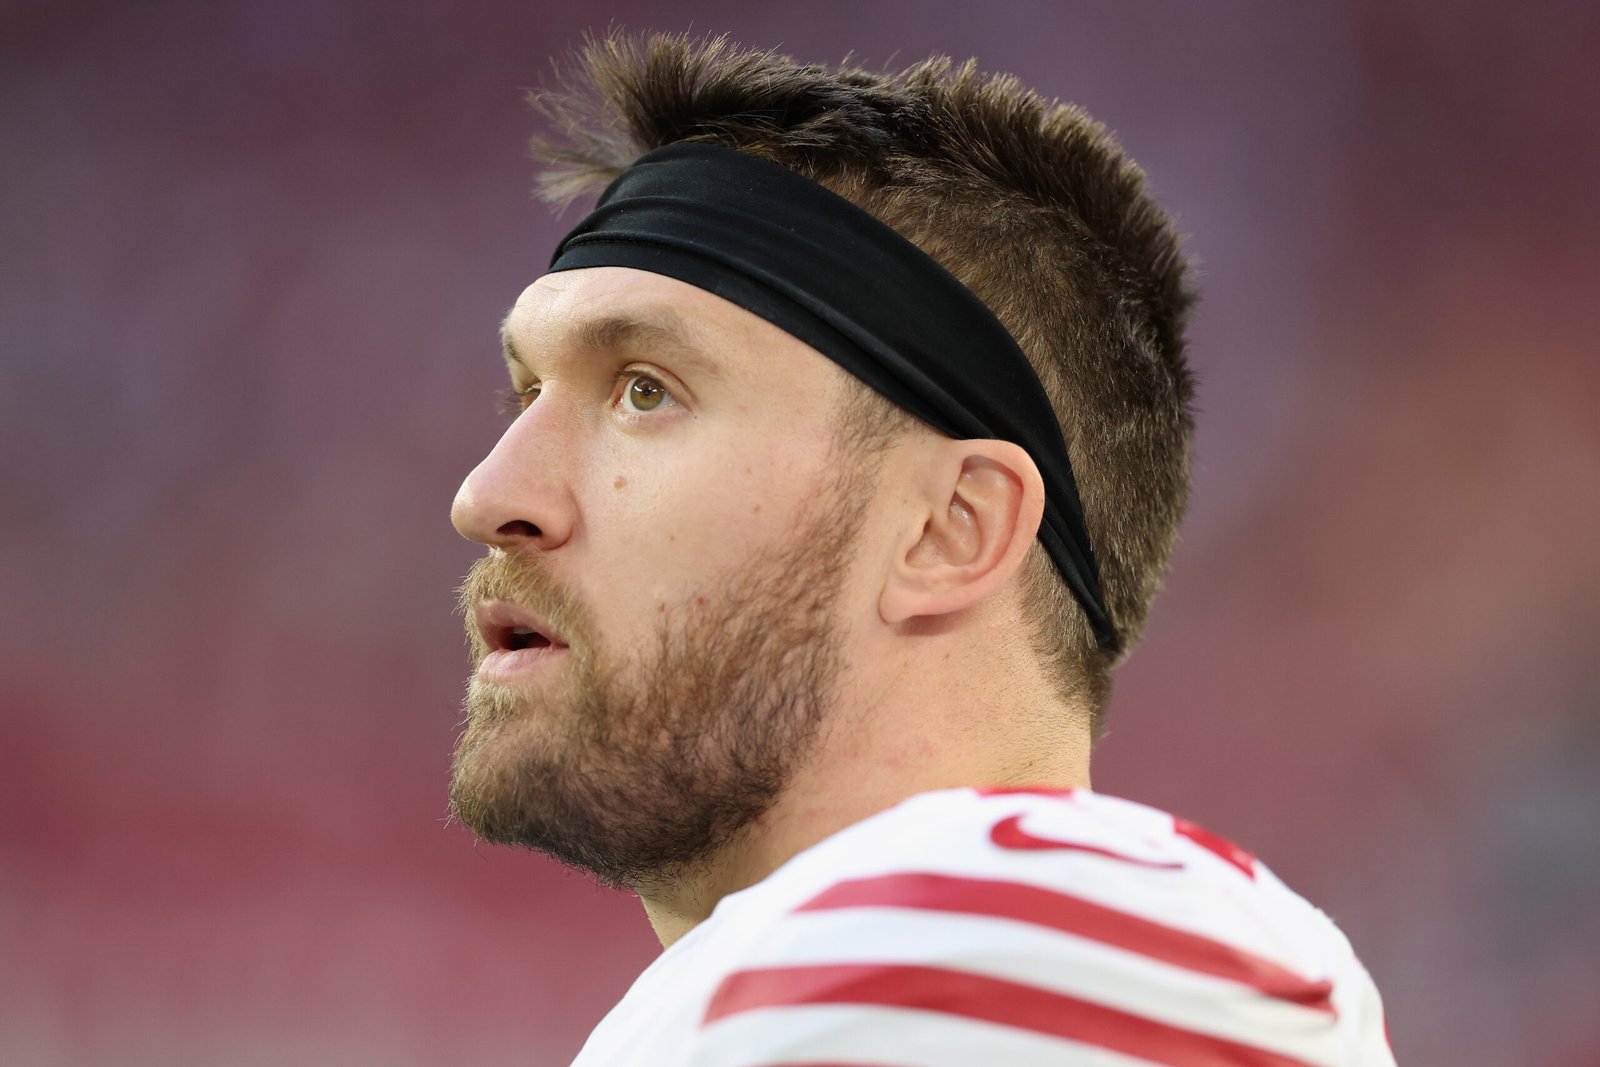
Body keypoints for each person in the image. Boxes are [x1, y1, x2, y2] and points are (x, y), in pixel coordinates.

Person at [447, 31, 1396, 1066]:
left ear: (951, 528)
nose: (488, 495)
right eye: (527, 392)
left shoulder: (1007, 934)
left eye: (645, 390)